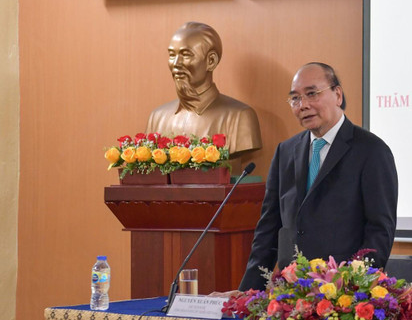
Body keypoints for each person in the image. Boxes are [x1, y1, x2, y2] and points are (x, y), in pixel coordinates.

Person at [238, 63, 398, 291]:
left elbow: (379, 231)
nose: (303, 105)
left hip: (342, 298)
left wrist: (353, 287)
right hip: (290, 294)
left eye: (312, 94)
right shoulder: (286, 152)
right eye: (295, 98)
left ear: (338, 95)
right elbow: (268, 229)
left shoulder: (371, 151)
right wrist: (247, 293)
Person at [146, 22, 262, 156]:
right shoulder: (157, 118)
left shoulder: (239, 117)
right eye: (172, 55)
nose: (176, 64)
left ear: (211, 61)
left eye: (186, 55)